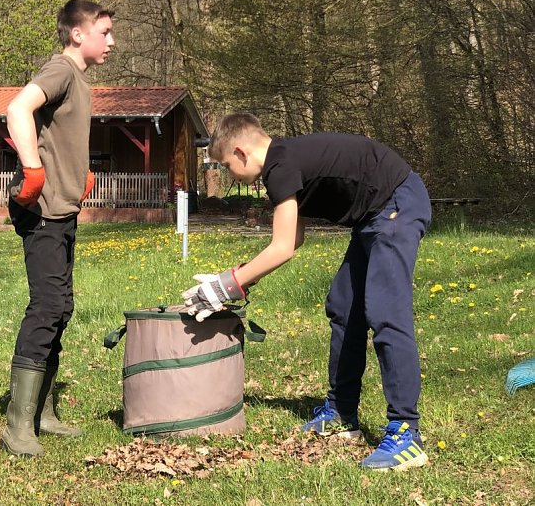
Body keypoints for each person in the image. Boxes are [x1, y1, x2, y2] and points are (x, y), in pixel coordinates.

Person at [182, 113, 432, 472]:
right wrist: (236, 282)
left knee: (385, 312)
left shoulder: (279, 166)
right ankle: (343, 413)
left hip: (396, 204)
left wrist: (226, 286)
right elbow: (293, 238)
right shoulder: (283, 162)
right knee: (344, 307)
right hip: (374, 214)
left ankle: (407, 432)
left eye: (225, 166)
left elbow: (283, 246)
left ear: (240, 152)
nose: (228, 175)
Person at [0, 0, 115, 457]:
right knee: (47, 307)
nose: (112, 41)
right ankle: (17, 424)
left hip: (62, 211)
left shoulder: (79, 81)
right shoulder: (62, 70)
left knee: (61, 308)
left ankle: (42, 413)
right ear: (77, 34)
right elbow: (17, 109)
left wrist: (75, 173)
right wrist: (33, 169)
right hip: (43, 211)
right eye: (104, 32)